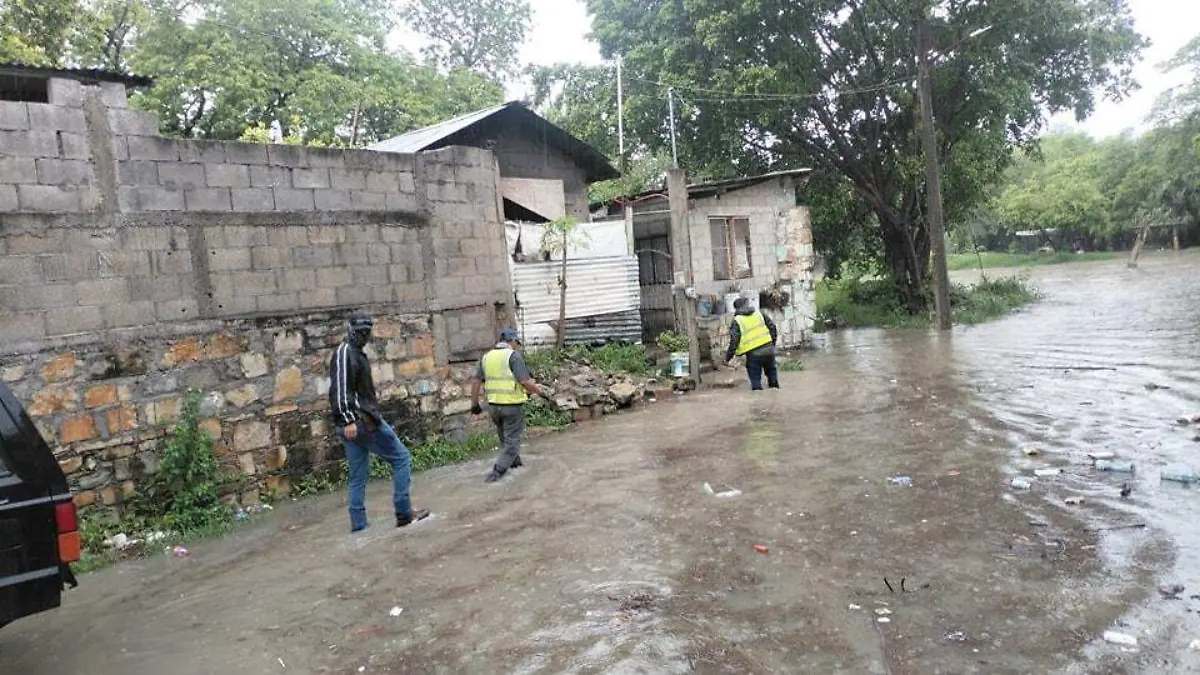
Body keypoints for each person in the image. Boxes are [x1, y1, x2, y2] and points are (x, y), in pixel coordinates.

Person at [329, 315, 430, 532]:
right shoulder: (344, 352)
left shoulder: (355, 353)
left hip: (358, 423)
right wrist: (348, 419)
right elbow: (339, 389)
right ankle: (404, 513)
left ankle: (359, 525)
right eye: (360, 331)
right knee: (401, 458)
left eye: (367, 331)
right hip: (362, 422)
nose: (364, 335)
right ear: (350, 330)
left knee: (359, 475)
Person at [470, 329, 553, 483]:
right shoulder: (513, 356)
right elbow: (525, 382)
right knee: (512, 442)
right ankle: (497, 472)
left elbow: (476, 382)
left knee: (505, 440)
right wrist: (541, 393)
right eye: (517, 343)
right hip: (512, 407)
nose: (517, 346)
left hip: (494, 407)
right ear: (513, 341)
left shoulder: (486, 357)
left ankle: (516, 466)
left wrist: (474, 405)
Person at [724, 298, 780, 390]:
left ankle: (757, 400)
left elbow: (734, 341)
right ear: (747, 304)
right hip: (769, 350)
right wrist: (772, 344)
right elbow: (773, 328)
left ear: (736, 309)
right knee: (773, 380)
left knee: (756, 384)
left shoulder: (737, 320)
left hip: (754, 355)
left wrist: (727, 358)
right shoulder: (759, 314)